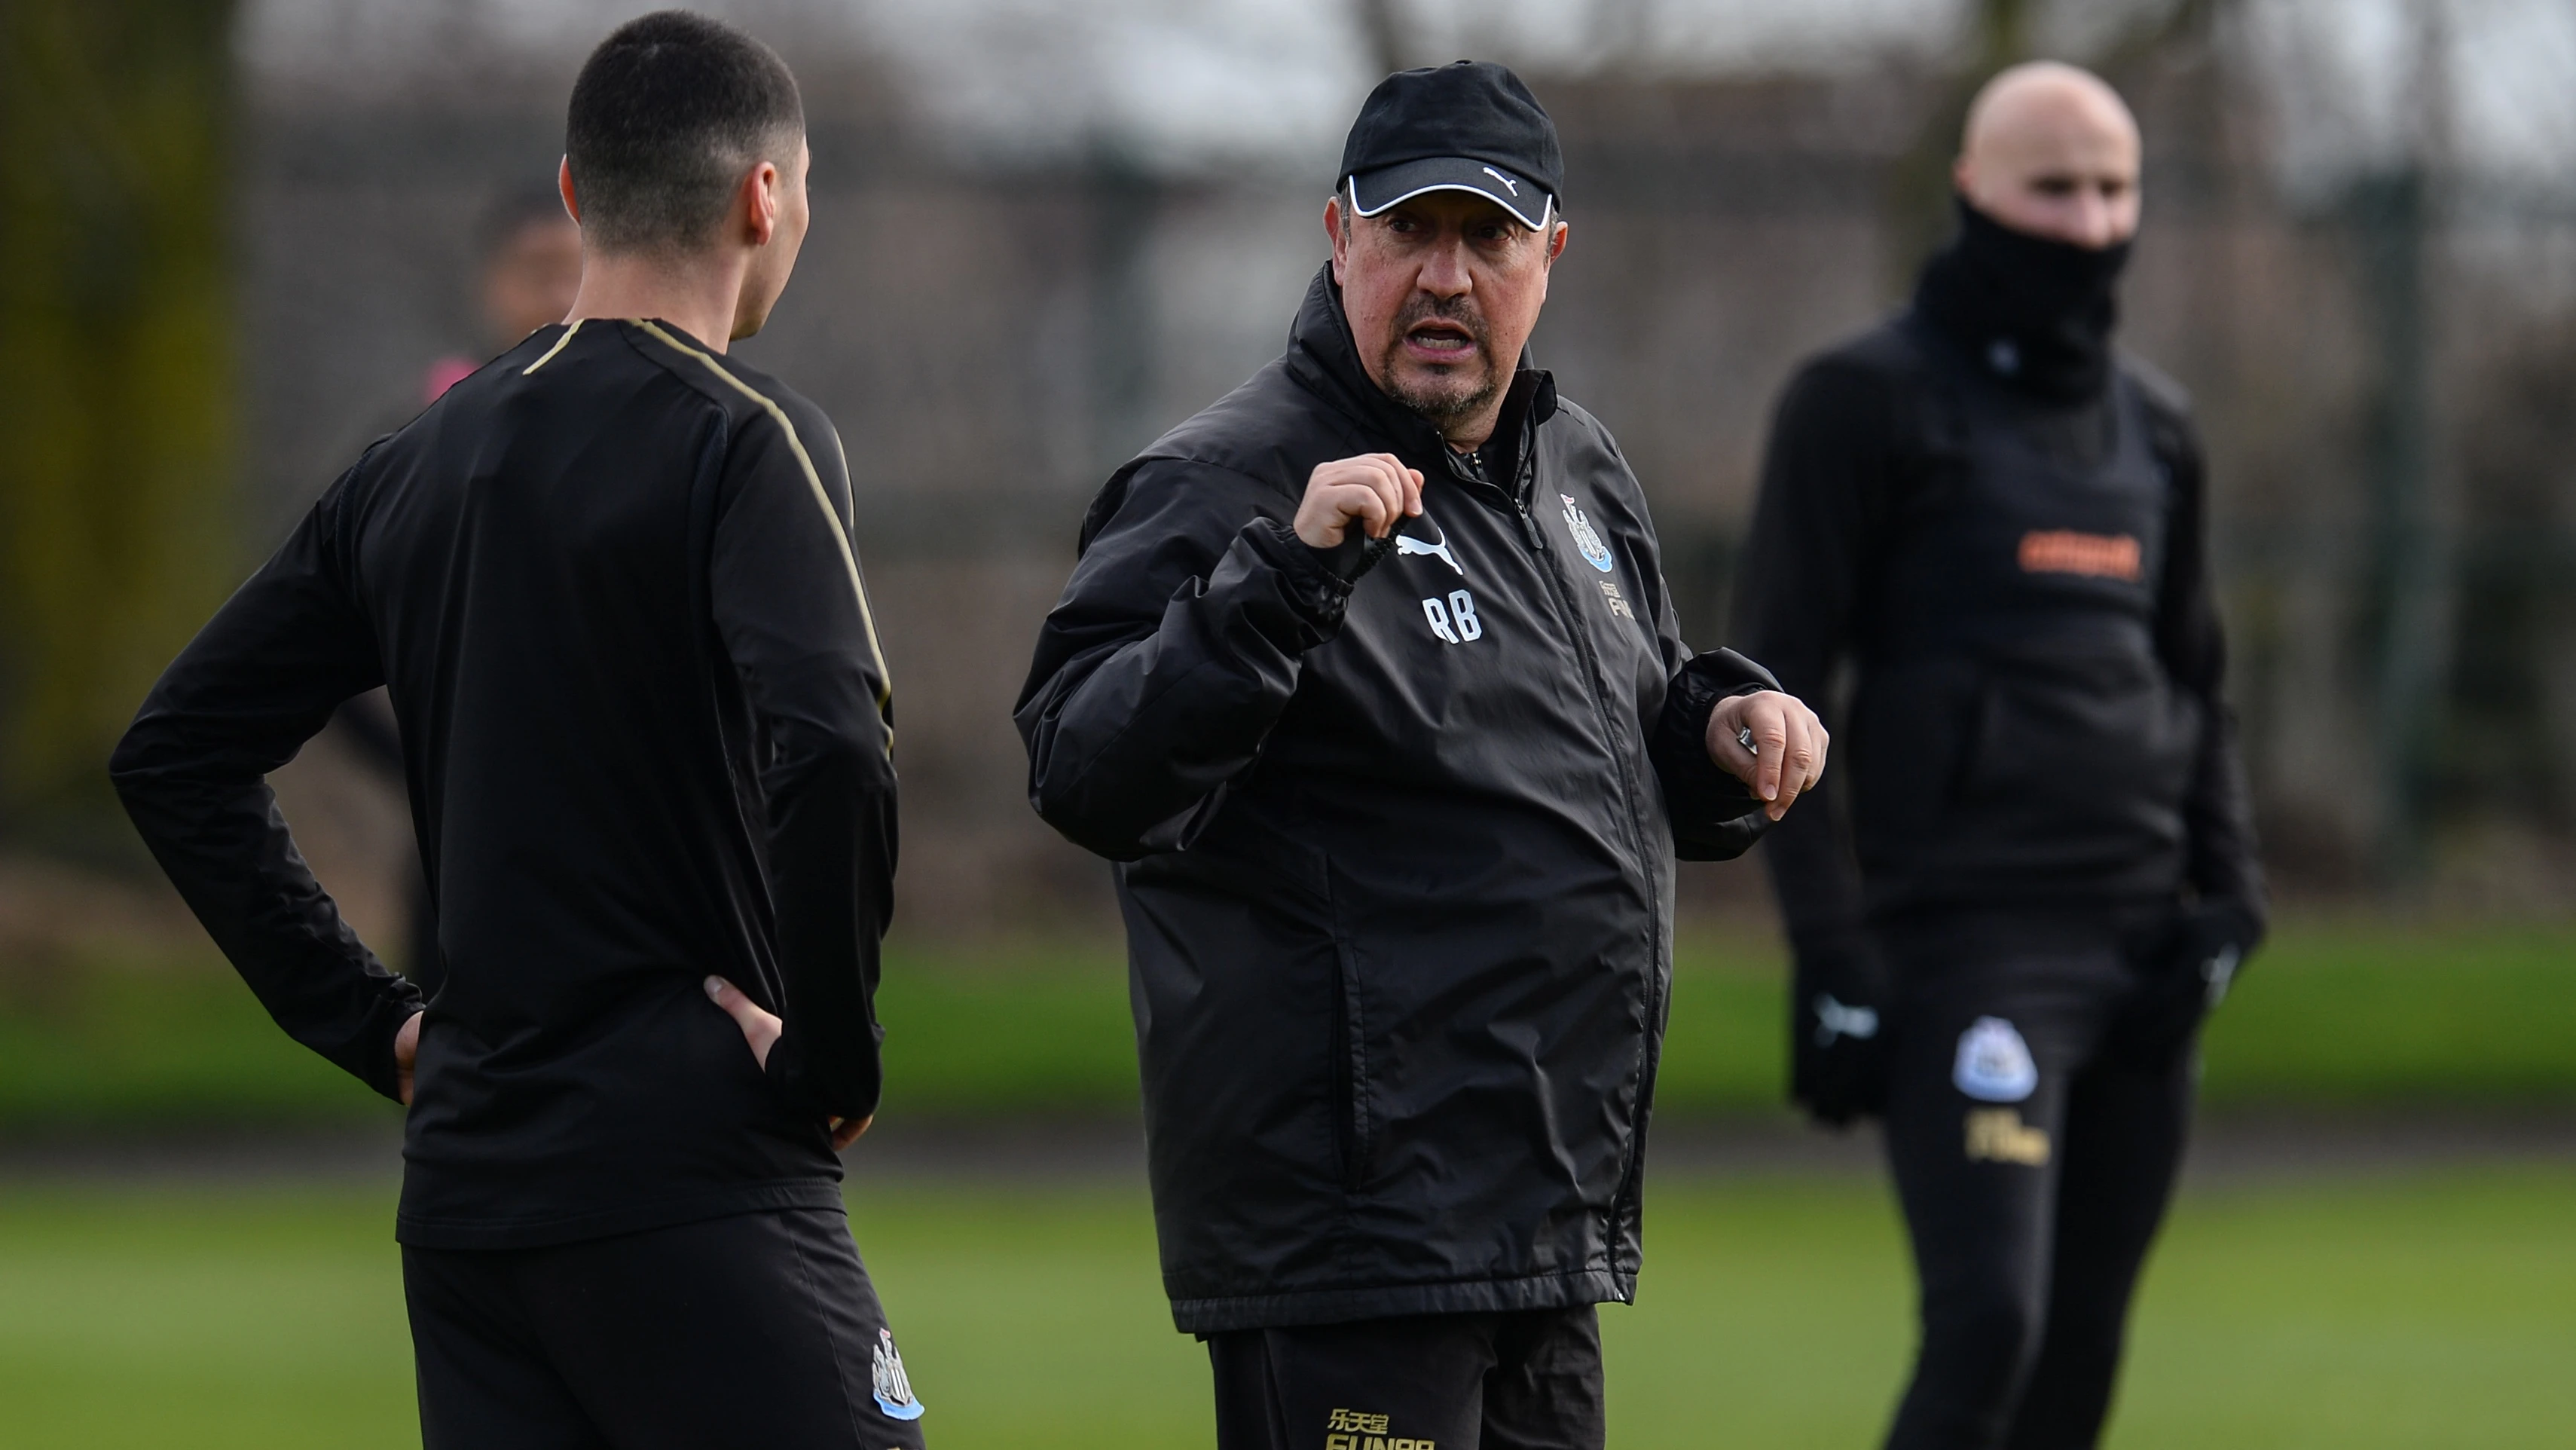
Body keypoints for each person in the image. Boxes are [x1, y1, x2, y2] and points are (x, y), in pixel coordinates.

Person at [110, 13, 924, 1448]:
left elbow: (173, 749)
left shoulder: (414, 461)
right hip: (687, 1168)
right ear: (765, 196)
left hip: (469, 1199)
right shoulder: (747, 434)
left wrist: (374, 1022)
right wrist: (826, 1063)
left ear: (572, 191)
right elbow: (836, 744)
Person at [1016, 60, 1828, 1450]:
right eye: (1410, 230)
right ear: (1340, 237)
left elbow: (1599, 734)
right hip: (1354, 1241)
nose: (1444, 276)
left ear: (1548, 257)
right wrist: (1279, 581)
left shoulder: (1575, 468)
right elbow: (1084, 767)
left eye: (1487, 237)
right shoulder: (1224, 481)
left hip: (1540, 1227)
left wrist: (1711, 730)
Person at [1734, 61, 2266, 1450]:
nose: (2087, 223)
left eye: (2112, 190)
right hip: (1966, 953)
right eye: (2053, 188)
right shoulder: (1856, 401)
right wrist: (1828, 950)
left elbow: (2194, 680)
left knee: (2077, 1358)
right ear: (1971, 189)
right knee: (1987, 1328)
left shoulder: (2156, 430)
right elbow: (1766, 693)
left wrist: (2228, 902)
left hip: (2140, 950)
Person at [333, 183, 587, 995]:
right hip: (466, 846)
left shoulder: (673, 425)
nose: (558, 294)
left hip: (624, 844)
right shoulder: (422, 439)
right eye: (535, 271)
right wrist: (421, 765)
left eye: (577, 270)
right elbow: (315, 631)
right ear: (489, 285)